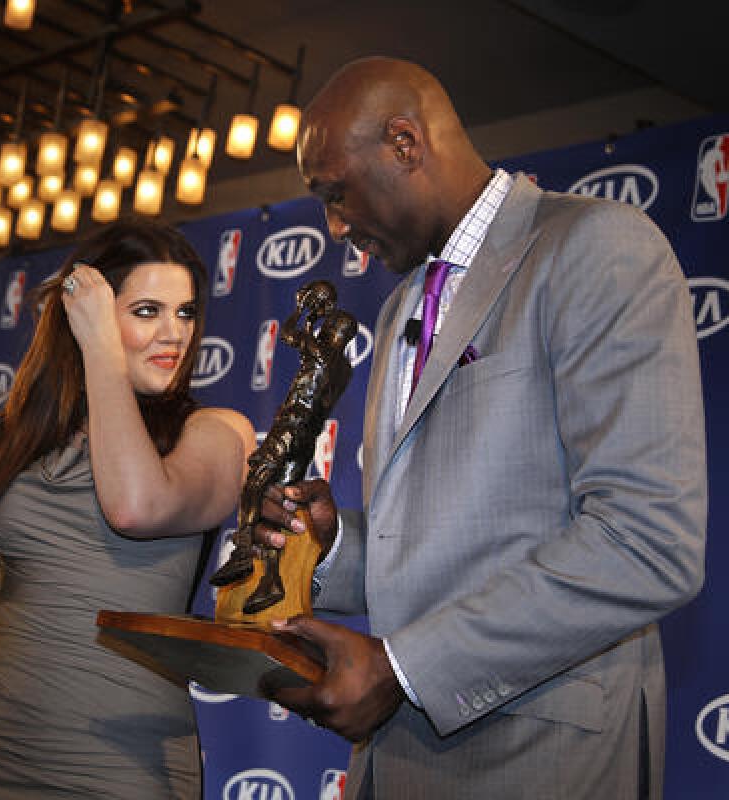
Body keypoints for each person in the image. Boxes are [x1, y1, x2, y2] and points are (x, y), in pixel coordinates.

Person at [254, 56, 707, 799]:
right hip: (396, 761)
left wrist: (403, 669)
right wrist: (337, 545)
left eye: (335, 193)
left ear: (405, 143)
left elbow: (647, 540)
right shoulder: (402, 303)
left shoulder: (596, 246)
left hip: (538, 757)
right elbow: (457, 544)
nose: (333, 226)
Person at [0, 218, 255, 799]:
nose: (173, 334)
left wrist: (102, 352)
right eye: (147, 311)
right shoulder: (10, 446)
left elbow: (135, 507)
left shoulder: (215, 433)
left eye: (186, 313)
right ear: (85, 315)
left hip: (120, 772)